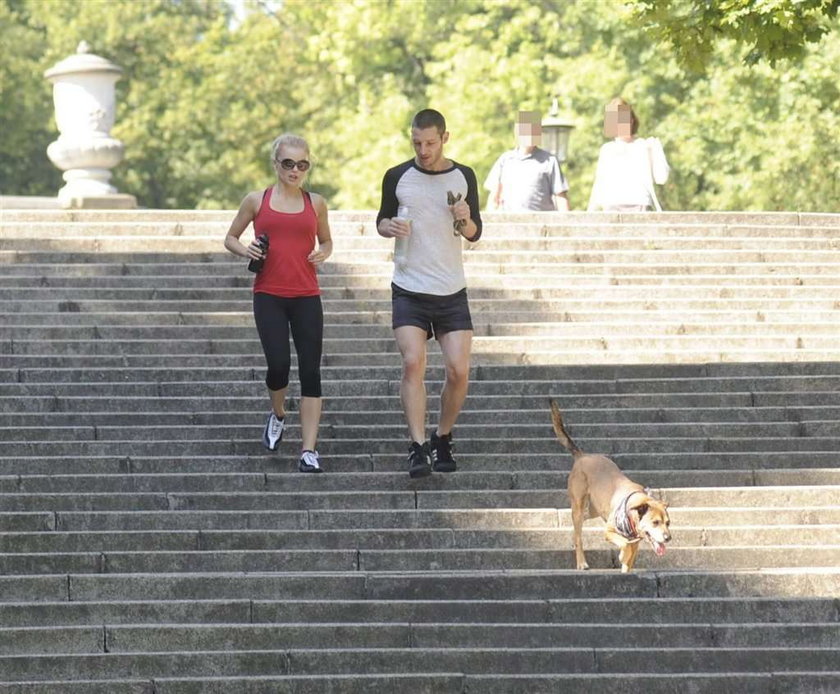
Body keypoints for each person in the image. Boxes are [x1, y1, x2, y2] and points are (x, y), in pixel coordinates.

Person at [376, 109, 483, 479]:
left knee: (458, 370)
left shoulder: (464, 175)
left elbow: (473, 232)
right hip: (409, 286)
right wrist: (387, 226)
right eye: (417, 142)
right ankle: (418, 445)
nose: (423, 150)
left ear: (445, 138)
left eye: (430, 143)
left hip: (451, 288)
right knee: (412, 363)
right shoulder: (397, 176)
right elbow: (382, 219)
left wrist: (465, 216)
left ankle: (442, 436)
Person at [224, 133, 332, 473]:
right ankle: (279, 414)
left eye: (302, 164)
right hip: (269, 294)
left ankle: (308, 451)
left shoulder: (316, 203)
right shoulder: (257, 200)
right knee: (278, 365)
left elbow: (327, 241)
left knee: (311, 371)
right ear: (276, 164)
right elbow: (230, 237)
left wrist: (322, 253)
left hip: (306, 295)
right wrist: (248, 250)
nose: (295, 170)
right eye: (288, 163)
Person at [587, 97, 670, 212]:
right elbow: (598, 186)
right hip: (611, 206)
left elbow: (662, 178)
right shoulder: (607, 150)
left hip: (640, 205)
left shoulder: (644, 146)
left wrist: (656, 150)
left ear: (631, 121)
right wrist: (589, 213)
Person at [484, 110, 570, 211]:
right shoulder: (505, 160)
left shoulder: (550, 161)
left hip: (542, 223)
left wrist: (566, 223)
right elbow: (494, 197)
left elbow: (561, 197)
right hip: (510, 222)